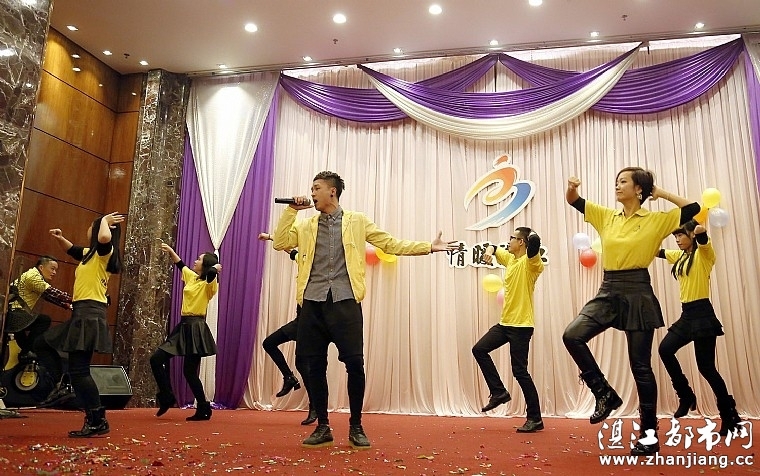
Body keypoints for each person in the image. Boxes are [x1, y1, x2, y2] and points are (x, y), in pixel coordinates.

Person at [272, 170, 458, 449]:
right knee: (314, 366)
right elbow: (280, 242)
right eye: (311, 189)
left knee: (355, 365)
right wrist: (291, 211)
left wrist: (428, 247)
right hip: (312, 303)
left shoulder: (357, 221)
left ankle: (356, 426)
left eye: (316, 188)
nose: (311, 193)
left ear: (332, 191)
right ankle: (323, 426)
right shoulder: (306, 225)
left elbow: (390, 244)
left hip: (346, 303)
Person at [562, 167, 699, 456]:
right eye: (616, 181)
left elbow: (693, 208)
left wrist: (659, 193)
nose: (617, 185)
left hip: (638, 290)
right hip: (608, 288)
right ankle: (604, 393)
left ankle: (649, 436)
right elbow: (574, 200)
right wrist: (572, 187)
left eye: (623, 181)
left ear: (638, 189)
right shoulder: (606, 216)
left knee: (641, 366)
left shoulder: (656, 220)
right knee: (572, 335)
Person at [39, 212, 124, 437]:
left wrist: (104, 221)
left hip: (90, 313)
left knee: (79, 371)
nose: (88, 229)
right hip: (82, 313)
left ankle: (97, 419)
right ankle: (93, 415)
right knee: (63, 360)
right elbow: (71, 249)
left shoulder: (105, 253)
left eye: (91, 226)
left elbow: (104, 238)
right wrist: (60, 238)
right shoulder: (89, 254)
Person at [657, 220, 741, 436]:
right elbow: (658, 252)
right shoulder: (680, 256)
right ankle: (686, 395)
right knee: (665, 349)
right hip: (687, 315)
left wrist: (697, 228)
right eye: (675, 236)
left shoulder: (704, 255)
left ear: (691, 235)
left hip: (703, 314)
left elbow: (703, 237)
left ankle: (728, 415)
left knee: (707, 368)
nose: (677, 240)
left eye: (680, 235)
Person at [476, 227, 544, 433]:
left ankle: (535, 418)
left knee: (520, 372)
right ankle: (499, 392)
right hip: (505, 324)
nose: (509, 241)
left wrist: (531, 236)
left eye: (512, 238)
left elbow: (535, 244)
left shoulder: (530, 263)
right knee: (479, 349)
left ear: (521, 242)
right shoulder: (511, 259)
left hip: (521, 326)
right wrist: (489, 251)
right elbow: (493, 247)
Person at [149, 242, 221, 421]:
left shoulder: (209, 284)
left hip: (196, 327)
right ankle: (167, 395)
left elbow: (211, 274)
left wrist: (214, 267)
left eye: (199, 260)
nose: (195, 261)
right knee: (156, 359)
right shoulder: (192, 278)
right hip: (184, 325)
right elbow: (180, 264)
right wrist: (171, 251)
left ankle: (203, 408)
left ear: (205, 265)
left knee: (189, 371)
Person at [258, 232, 316, 425]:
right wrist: (270, 237)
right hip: (299, 321)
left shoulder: (318, 271)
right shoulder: (303, 260)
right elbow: (290, 250)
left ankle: (315, 405)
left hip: (310, 324)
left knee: (302, 364)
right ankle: (289, 377)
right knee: (269, 343)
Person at [5, 256, 72, 356]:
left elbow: (48, 296)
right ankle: (28, 352)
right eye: (52, 269)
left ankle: (27, 353)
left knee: (23, 339)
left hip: (13, 313)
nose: (54, 273)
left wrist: (67, 305)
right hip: (15, 315)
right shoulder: (33, 277)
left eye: (55, 270)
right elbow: (52, 292)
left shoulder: (33, 274)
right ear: (41, 267)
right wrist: (76, 299)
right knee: (44, 320)